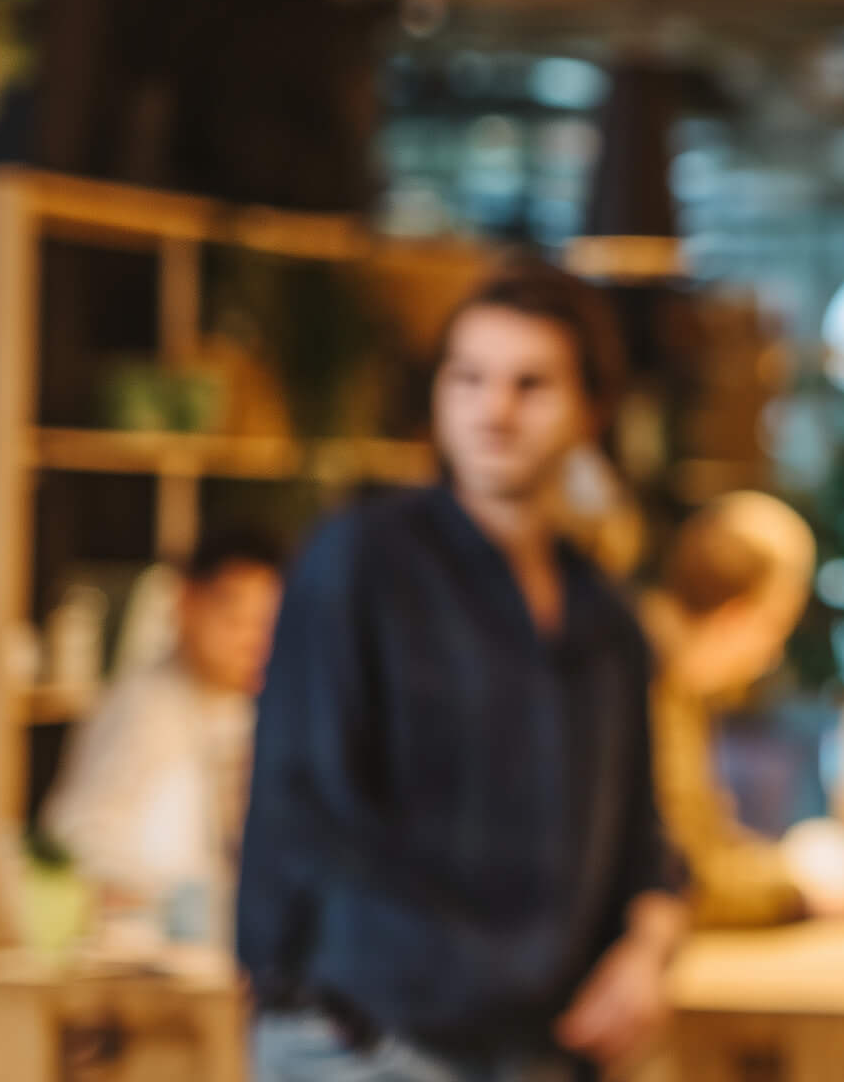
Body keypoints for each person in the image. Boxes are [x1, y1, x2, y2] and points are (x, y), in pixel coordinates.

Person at [239, 260, 689, 1082]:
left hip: (540, 1050)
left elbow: (643, 840)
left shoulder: (607, 620)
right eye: (469, 378)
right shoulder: (363, 562)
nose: (495, 410)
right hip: (371, 1043)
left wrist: (645, 952)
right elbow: (307, 807)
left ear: (592, 410)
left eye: (531, 384)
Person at [641, 491, 844, 928]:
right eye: (776, 628)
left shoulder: (672, 685)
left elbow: (697, 847)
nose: (771, 656)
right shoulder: (644, 684)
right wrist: (810, 893)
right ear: (738, 614)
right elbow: (685, 880)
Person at [43, 525, 285, 955]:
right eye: (235, 619)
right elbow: (73, 842)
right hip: (153, 959)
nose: (254, 641)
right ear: (186, 604)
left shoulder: (273, 713)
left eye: (268, 624)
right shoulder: (140, 709)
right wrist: (164, 897)